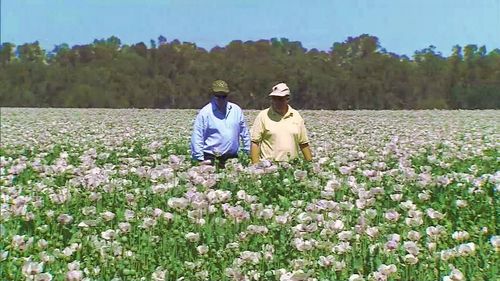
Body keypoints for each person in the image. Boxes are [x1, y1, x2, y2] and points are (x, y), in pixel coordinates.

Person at [191, 80, 251, 168]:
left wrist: (248, 151)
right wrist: (199, 159)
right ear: (212, 95)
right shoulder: (205, 112)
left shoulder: (236, 110)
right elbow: (197, 135)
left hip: (232, 157)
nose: (221, 99)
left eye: (224, 96)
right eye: (218, 96)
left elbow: (244, 132)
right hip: (211, 158)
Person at [250, 82, 313, 164]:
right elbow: (255, 142)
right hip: (269, 167)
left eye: (280, 99)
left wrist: (310, 165)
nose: (277, 101)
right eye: (274, 98)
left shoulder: (296, 116)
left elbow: (303, 143)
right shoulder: (263, 116)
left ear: (287, 99)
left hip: (292, 165)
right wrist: (256, 165)